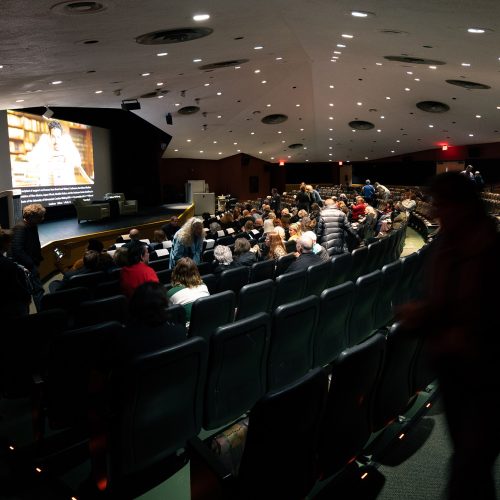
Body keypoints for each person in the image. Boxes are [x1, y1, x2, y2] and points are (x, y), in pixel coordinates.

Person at [397, 172, 500, 500]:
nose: (434, 213)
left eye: (442, 205)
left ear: (463, 206)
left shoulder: (491, 251)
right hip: (453, 370)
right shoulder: (446, 245)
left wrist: (437, 320)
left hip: (486, 376)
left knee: (470, 465)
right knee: (470, 463)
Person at [28, 120, 93, 186]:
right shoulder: (44, 141)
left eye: (58, 137)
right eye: (53, 137)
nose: (56, 141)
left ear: (61, 136)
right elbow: (31, 161)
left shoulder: (67, 142)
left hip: (67, 188)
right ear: (49, 136)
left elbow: (78, 163)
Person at [10, 203, 46, 311]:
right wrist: (31, 265)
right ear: (31, 217)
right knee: (37, 291)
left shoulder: (32, 225)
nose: (42, 219)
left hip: (30, 264)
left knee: (36, 291)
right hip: (25, 267)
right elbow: (17, 250)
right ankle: (43, 314)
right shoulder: (20, 228)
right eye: (40, 217)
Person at [0, 228, 31, 318]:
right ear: (4, 244)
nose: (11, 244)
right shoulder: (8, 264)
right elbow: (17, 287)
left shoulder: (8, 263)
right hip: (12, 305)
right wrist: (27, 298)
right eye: (9, 242)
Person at [167, 257, 210, 322]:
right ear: (196, 272)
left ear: (176, 272)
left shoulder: (171, 293)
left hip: (188, 329)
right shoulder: (203, 285)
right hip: (208, 321)